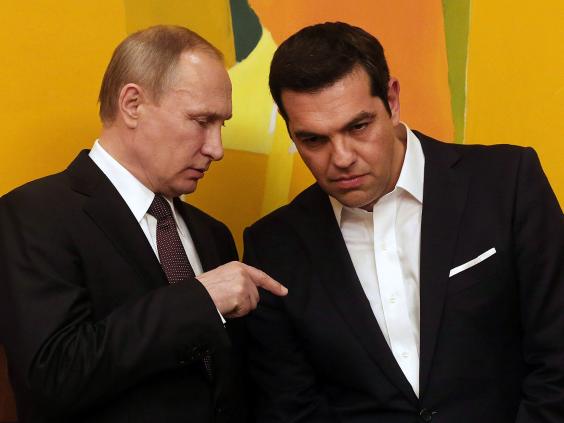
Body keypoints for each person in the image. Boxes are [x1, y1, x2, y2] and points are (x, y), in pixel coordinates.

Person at [243, 22, 564, 422]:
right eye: (313, 140)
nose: (341, 158)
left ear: (392, 100)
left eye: (358, 127)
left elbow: (557, 354)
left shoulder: (506, 182)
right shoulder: (273, 247)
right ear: (289, 129)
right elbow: (291, 406)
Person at [0, 25, 287, 423]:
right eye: (201, 120)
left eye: (221, 124)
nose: (216, 148)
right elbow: (52, 377)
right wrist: (198, 301)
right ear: (132, 104)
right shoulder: (33, 214)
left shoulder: (213, 234)